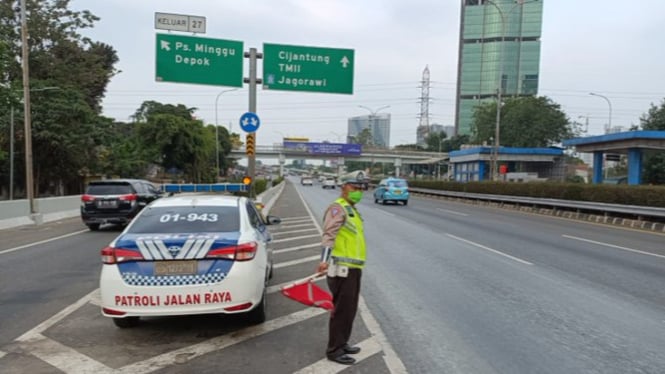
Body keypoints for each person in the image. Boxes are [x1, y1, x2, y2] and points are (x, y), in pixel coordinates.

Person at [316, 176, 367, 365]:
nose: (358, 191)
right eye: (355, 187)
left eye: (361, 189)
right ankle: (334, 350)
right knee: (342, 310)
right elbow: (329, 235)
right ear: (344, 187)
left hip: (353, 268)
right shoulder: (337, 208)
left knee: (350, 310)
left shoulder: (351, 209)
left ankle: (342, 342)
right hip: (341, 269)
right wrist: (323, 261)